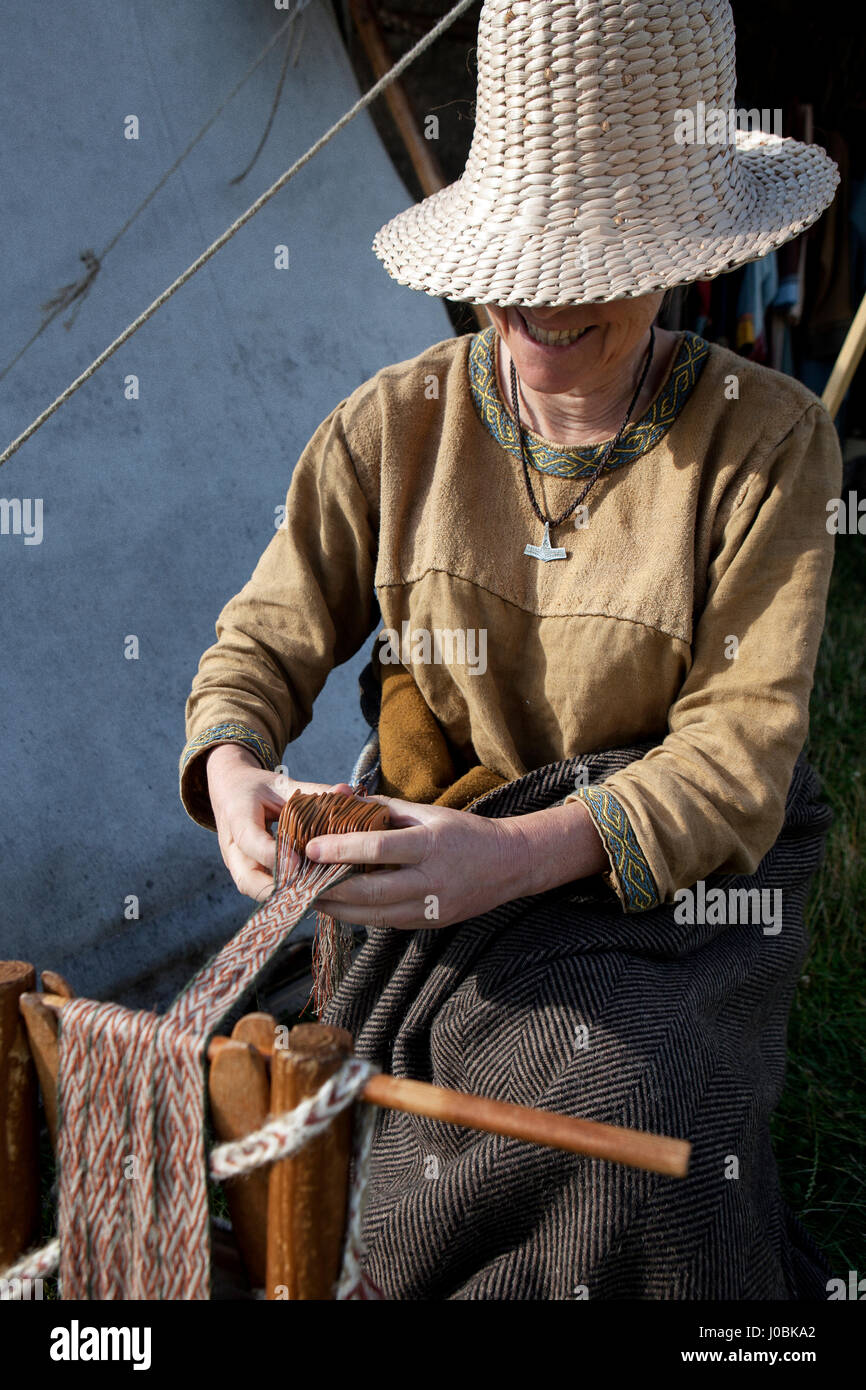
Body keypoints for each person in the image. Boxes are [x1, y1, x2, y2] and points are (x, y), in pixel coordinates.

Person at [180, 0, 842, 1299]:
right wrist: (230, 770)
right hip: (447, 861)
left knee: (640, 1103)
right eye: (523, 253)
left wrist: (519, 857)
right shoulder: (390, 429)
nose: (545, 298)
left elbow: (736, 758)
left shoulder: (765, 443)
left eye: (599, 254)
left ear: (688, 251)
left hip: (667, 892)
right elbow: (262, 638)